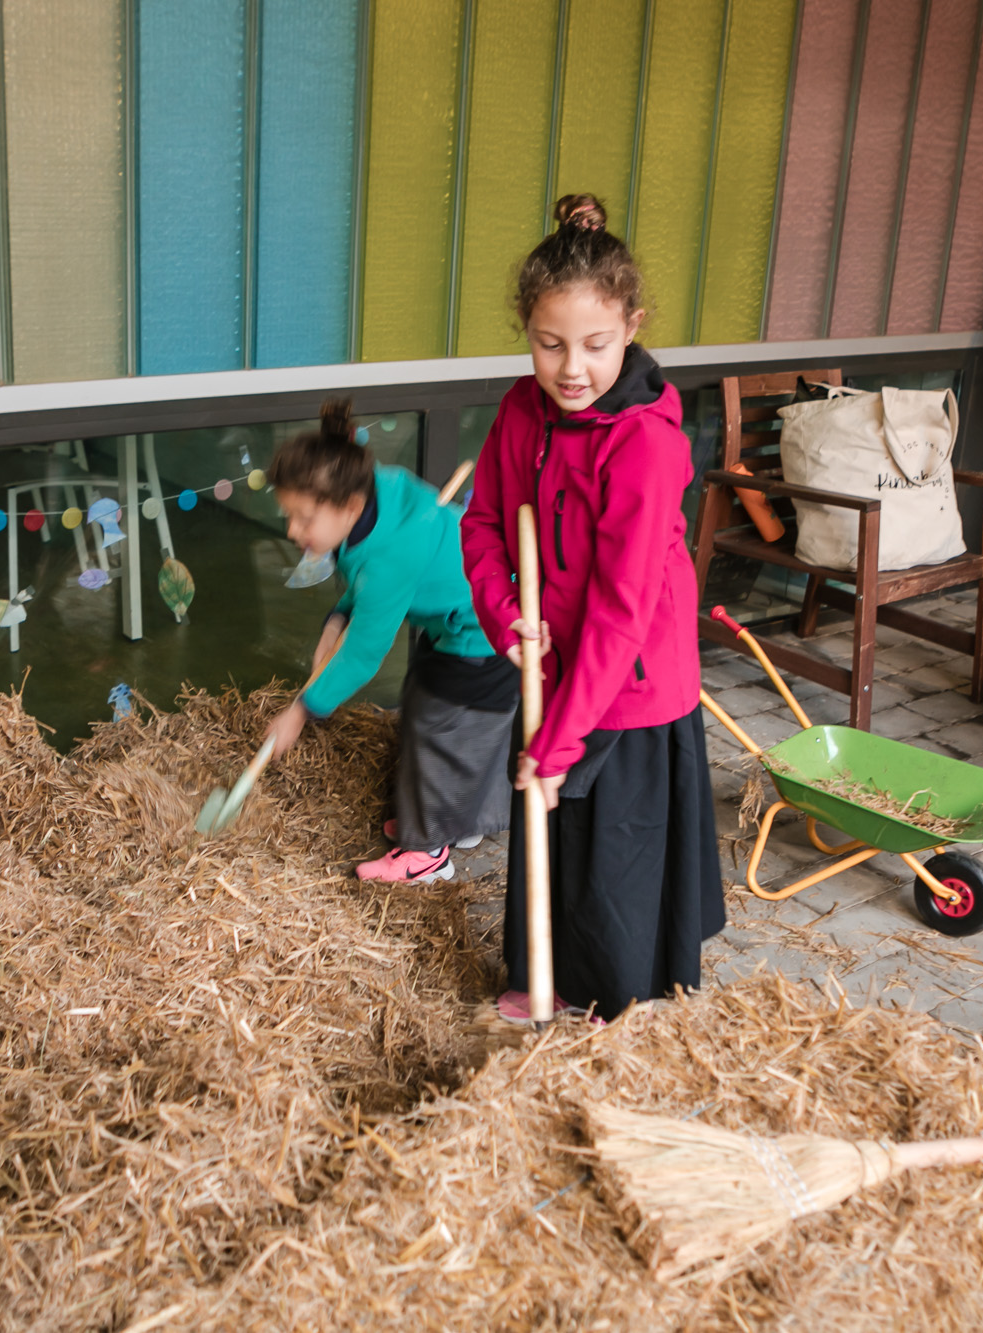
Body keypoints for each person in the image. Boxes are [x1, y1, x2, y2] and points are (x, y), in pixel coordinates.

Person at [460, 193, 725, 1024]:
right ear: (527, 333)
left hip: (632, 681)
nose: (571, 368)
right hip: (552, 661)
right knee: (552, 831)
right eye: (550, 344)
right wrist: (509, 618)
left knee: (614, 849)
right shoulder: (519, 412)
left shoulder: (648, 445)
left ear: (633, 327)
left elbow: (621, 608)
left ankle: (614, 998)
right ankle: (544, 971)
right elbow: (484, 525)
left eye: (596, 345)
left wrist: (560, 740)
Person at [264, 399, 516, 883]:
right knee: (443, 714)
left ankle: (428, 853)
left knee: (440, 730)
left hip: (486, 629)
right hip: (469, 617)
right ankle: (455, 821)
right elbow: (362, 591)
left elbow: (364, 655)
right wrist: (335, 622)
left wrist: (302, 709)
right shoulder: (377, 487)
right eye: (288, 515)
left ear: (349, 506)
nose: (293, 531)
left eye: (304, 518)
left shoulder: (390, 557)